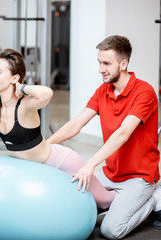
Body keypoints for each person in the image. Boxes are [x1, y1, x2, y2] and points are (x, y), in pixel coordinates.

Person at [0, 48, 116, 210]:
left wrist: (21, 88)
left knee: (105, 201)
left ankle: (136, 196)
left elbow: (47, 94)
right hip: (39, 170)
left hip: (62, 163)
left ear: (14, 77)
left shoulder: (25, 105)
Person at [48, 35, 161, 239]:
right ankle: (118, 200)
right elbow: (76, 124)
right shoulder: (103, 91)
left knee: (111, 230)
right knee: (71, 205)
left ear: (123, 64)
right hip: (110, 173)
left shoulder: (144, 92)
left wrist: (90, 163)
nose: (101, 69)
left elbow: (123, 133)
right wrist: (45, 146)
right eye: (99, 62)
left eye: (107, 63)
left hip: (139, 177)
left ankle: (153, 199)